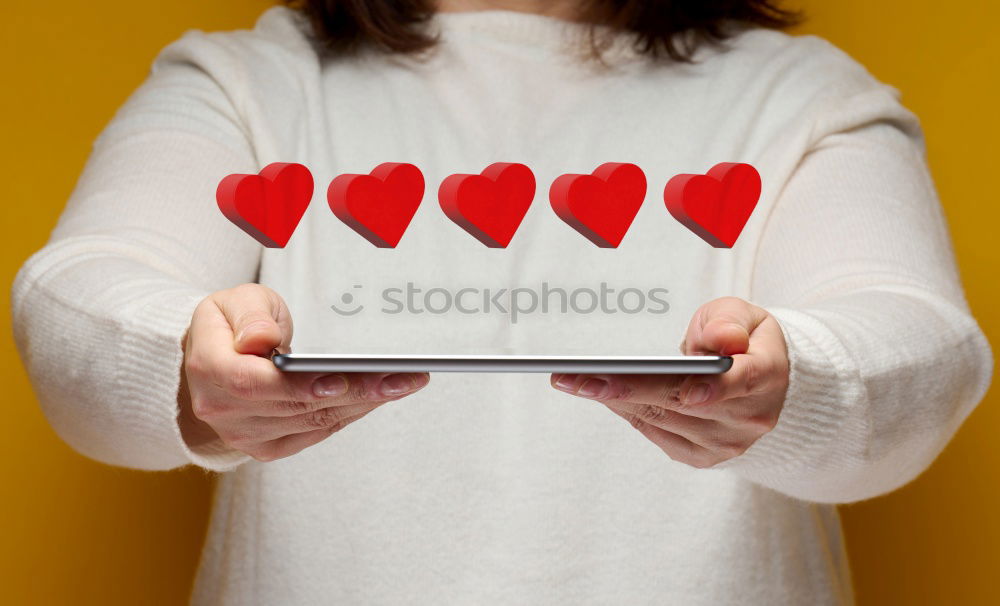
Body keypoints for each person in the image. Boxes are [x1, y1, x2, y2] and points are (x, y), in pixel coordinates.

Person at [11, 0, 993, 603]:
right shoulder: (243, 81)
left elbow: (912, 344)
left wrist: (796, 382)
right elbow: (83, 299)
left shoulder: (808, 98)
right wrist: (183, 365)